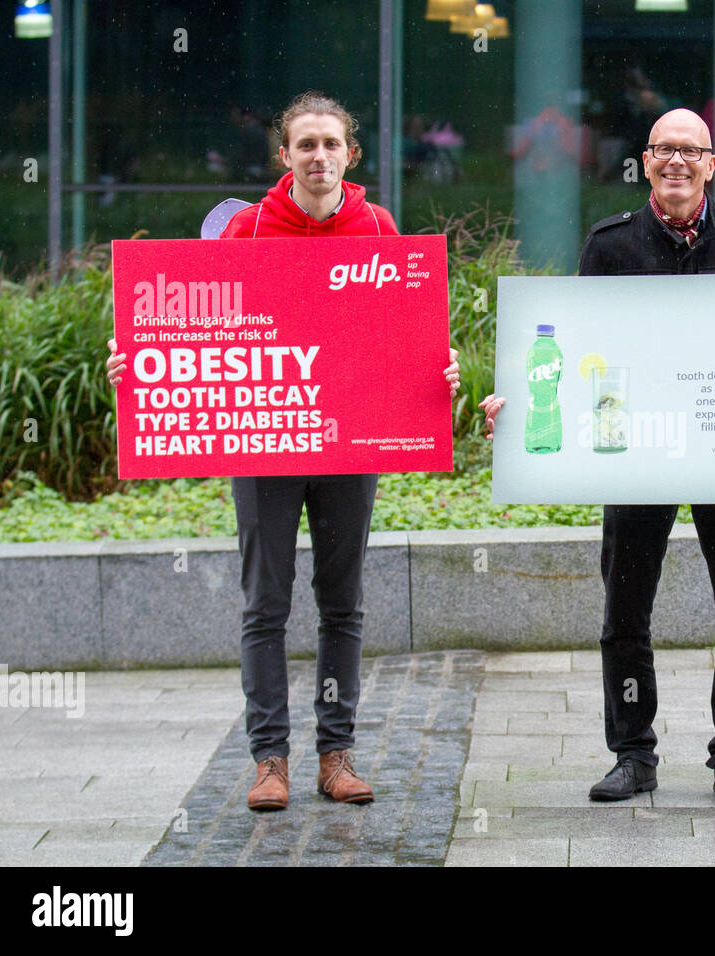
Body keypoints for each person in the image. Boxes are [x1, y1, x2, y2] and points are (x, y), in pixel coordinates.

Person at [107, 91, 461, 811]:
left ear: (350, 154)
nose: (320, 156)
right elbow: (197, 336)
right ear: (285, 155)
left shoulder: (379, 228)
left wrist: (438, 365)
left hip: (350, 440)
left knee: (343, 604)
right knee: (265, 605)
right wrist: (138, 364)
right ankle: (271, 760)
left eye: (332, 143)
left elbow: (399, 335)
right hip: (265, 437)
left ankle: (337, 755)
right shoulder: (247, 229)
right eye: (306, 144)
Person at [480, 108, 715, 806]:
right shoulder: (611, 246)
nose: (676, 162)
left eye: (691, 151)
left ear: (711, 164)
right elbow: (579, 355)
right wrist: (519, 406)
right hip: (636, 448)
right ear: (645, 162)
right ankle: (633, 753)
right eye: (663, 150)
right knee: (625, 610)